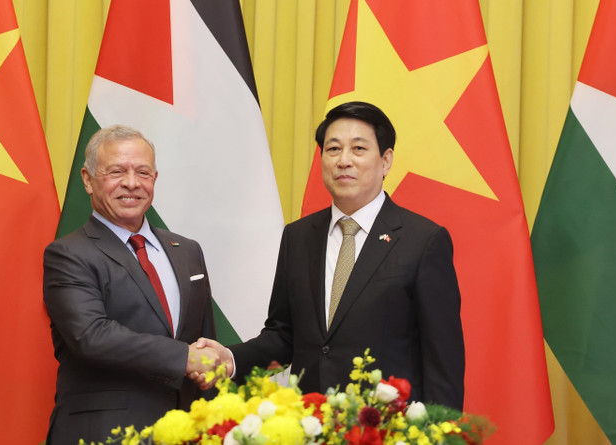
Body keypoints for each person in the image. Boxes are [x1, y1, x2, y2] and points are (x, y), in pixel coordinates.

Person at [197, 101, 465, 409]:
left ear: (386, 160)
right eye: (333, 149)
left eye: (359, 149)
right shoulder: (298, 236)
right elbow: (284, 336)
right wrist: (228, 358)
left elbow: (442, 359)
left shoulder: (423, 241)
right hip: (311, 424)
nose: (344, 161)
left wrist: (441, 432)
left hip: (388, 430)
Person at [43, 125, 223, 444]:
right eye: (116, 171)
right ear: (87, 179)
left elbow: (204, 342)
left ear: (154, 179)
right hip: (105, 434)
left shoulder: (188, 251)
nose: (131, 183)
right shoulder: (68, 254)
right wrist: (184, 357)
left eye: (143, 172)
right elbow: (91, 336)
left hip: (187, 431)